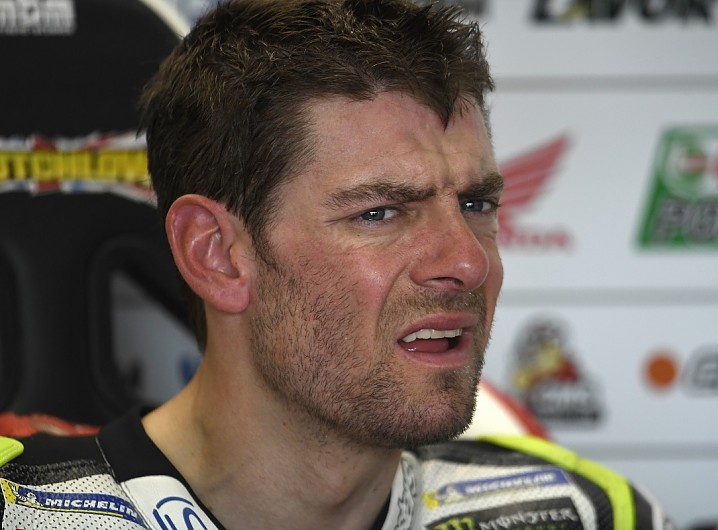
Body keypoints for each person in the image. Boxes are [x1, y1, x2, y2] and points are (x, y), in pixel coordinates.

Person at [0, 1, 674, 529]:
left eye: (476, 204)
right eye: (380, 212)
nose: (468, 261)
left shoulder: (585, 515)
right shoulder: (25, 514)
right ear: (217, 255)